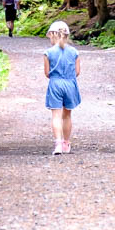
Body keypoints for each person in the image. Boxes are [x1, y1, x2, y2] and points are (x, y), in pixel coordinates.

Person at [43, 20, 81, 155]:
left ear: (53, 35)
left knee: (56, 116)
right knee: (67, 115)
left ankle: (58, 144)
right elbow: (77, 72)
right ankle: (66, 143)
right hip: (70, 84)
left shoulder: (48, 53)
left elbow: (47, 73)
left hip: (55, 84)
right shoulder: (75, 52)